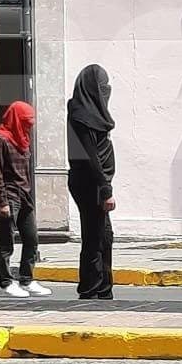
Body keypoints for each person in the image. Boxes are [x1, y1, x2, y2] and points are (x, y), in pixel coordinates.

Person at [67, 65, 117, 300]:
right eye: (102, 87)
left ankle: (102, 287)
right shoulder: (81, 116)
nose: (106, 92)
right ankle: (91, 288)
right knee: (96, 235)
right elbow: (89, 157)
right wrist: (105, 190)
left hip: (95, 183)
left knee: (103, 235)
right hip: (89, 184)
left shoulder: (90, 114)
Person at [0, 101, 52, 298]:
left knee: (31, 238)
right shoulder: (2, 141)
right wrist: (2, 202)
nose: (29, 126)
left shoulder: (23, 140)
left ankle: (26, 278)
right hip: (10, 195)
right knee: (7, 240)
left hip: (24, 195)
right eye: (26, 122)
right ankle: (6, 281)